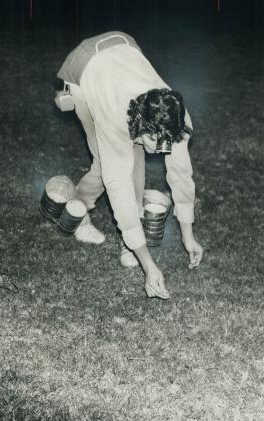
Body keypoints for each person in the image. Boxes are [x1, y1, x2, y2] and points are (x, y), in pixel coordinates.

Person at [56, 31, 203, 299]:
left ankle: (130, 241)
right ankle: (78, 211)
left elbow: (181, 175)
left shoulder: (177, 120)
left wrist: (188, 235)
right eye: (153, 139)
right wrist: (149, 266)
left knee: (136, 156)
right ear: (139, 125)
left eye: (165, 142)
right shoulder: (116, 117)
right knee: (106, 167)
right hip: (84, 69)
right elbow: (118, 185)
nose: (159, 149)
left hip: (123, 45)